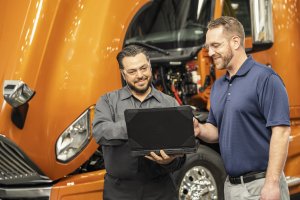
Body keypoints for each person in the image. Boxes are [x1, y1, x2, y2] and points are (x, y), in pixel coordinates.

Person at [193, 16, 290, 200]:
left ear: (235, 42)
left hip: (261, 185)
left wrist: (271, 183)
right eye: (208, 47)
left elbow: (281, 132)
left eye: (216, 45)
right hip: (231, 187)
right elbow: (218, 131)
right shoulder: (218, 86)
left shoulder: (265, 78)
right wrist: (200, 129)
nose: (210, 52)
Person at [92, 45, 185, 200]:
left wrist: (170, 161)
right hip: (119, 192)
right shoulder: (107, 101)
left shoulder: (169, 103)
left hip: (161, 190)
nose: (140, 75)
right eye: (132, 71)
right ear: (123, 73)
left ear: (149, 65)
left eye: (143, 68)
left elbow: (182, 153)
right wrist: (136, 125)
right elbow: (100, 132)